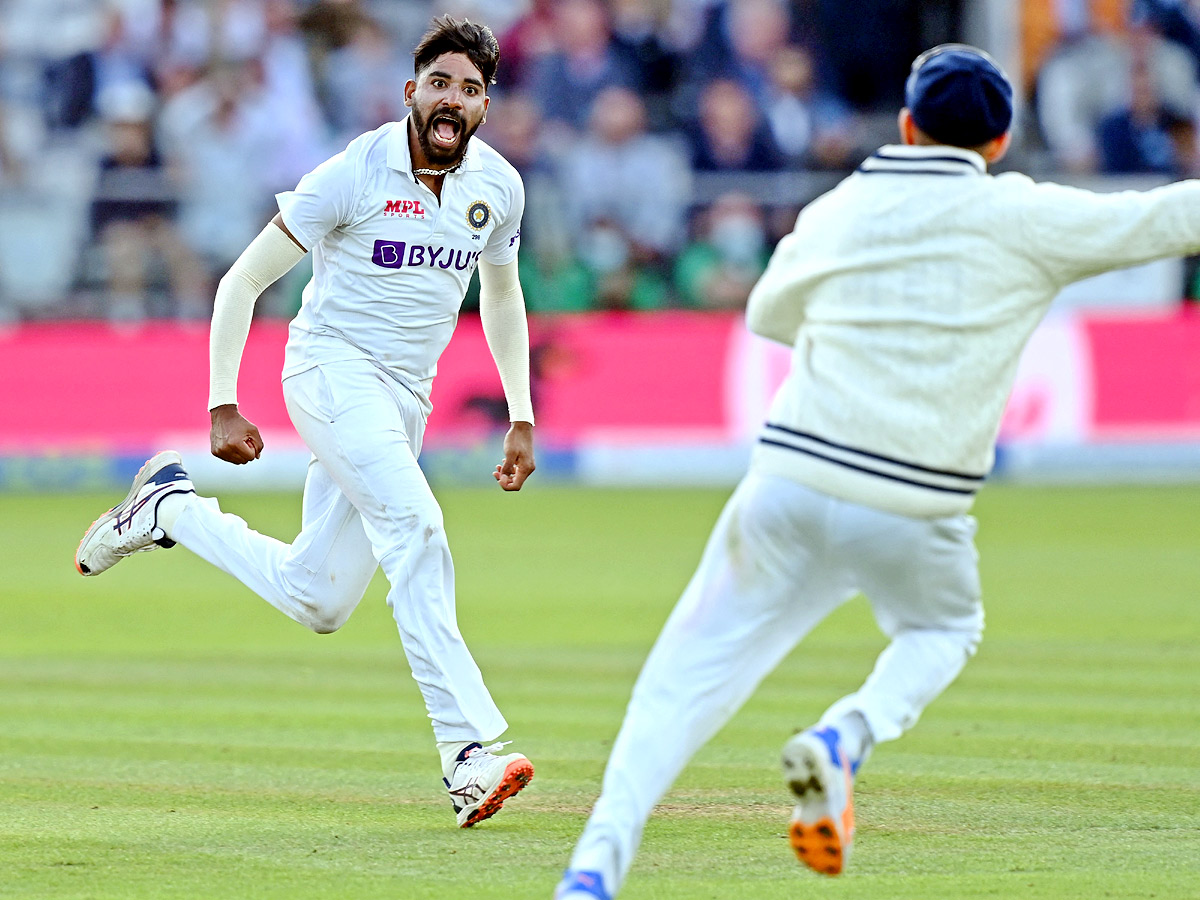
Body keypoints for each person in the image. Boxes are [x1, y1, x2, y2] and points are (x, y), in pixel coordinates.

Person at [555, 44, 1200, 899]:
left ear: (905, 124)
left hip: (790, 478)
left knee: (681, 678)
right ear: (999, 144)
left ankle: (597, 862)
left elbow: (768, 314)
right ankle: (845, 735)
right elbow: (1164, 219)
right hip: (915, 501)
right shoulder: (1023, 216)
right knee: (940, 631)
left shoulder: (836, 209)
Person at [75, 15, 538, 831]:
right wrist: (223, 400)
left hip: (407, 400)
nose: (453, 101)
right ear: (411, 92)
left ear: (484, 107)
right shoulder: (353, 172)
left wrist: (521, 411)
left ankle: (168, 510)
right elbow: (241, 282)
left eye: (471, 90)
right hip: (329, 372)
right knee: (417, 525)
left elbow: (501, 295)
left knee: (319, 597)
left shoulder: (497, 187)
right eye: (440, 84)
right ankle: (467, 755)